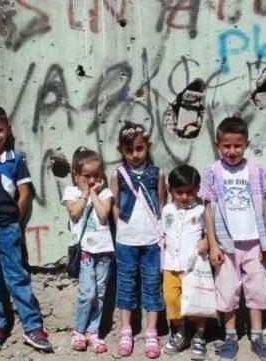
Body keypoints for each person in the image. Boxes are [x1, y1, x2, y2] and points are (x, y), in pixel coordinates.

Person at [0, 105, 52, 352]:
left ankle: (33, 326)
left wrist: (14, 218)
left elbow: (24, 194)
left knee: (17, 277)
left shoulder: (16, 161)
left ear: (8, 130)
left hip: (7, 228)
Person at [198, 116, 266, 361]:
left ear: (246, 144)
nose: (232, 151)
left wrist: (265, 240)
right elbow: (208, 210)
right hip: (226, 245)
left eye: (237, 146)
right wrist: (212, 244)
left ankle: (257, 336)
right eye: (227, 146)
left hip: (253, 243)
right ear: (218, 145)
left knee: (257, 289)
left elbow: (264, 203)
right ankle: (230, 337)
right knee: (227, 290)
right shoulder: (212, 172)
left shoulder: (254, 170)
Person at [110, 121, 166, 359]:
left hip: (152, 240)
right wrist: (121, 229)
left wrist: (161, 234)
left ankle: (152, 331)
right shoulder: (118, 174)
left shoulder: (157, 173)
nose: (135, 155)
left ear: (148, 147)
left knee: (152, 282)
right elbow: (114, 204)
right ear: (120, 151)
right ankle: (126, 329)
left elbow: (162, 205)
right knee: (126, 282)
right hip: (126, 240)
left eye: (140, 149)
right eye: (129, 150)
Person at [62, 147, 113, 354]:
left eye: (96, 175)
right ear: (76, 176)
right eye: (87, 176)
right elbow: (74, 214)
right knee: (87, 292)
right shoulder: (71, 192)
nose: (92, 180)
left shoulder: (106, 193)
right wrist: (84, 193)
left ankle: (94, 331)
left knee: (100, 292)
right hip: (85, 251)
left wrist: (93, 191)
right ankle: (78, 330)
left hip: (105, 251)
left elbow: (103, 215)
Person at [161, 164, 208, 359]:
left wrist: (205, 242)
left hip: (194, 266)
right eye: (179, 192)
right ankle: (180, 332)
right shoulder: (167, 210)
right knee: (171, 298)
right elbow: (164, 234)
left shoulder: (201, 210)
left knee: (196, 302)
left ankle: (199, 335)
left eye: (189, 192)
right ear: (171, 190)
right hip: (171, 265)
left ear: (196, 190)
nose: (184, 197)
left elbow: (209, 233)